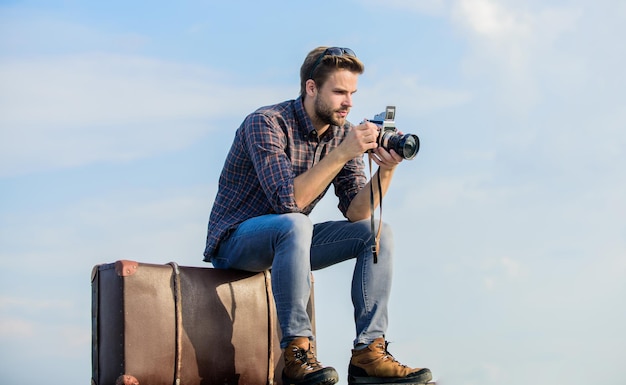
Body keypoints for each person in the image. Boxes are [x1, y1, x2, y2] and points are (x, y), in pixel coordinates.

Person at [203, 46, 433, 385]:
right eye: (339, 92)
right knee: (295, 222)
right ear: (311, 88)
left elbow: (357, 211)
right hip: (236, 241)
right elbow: (287, 202)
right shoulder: (266, 123)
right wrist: (344, 152)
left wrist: (387, 169)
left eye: (352, 93)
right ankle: (298, 352)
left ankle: (369, 353)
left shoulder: (342, 134)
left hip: (291, 242)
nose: (349, 102)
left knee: (377, 231)